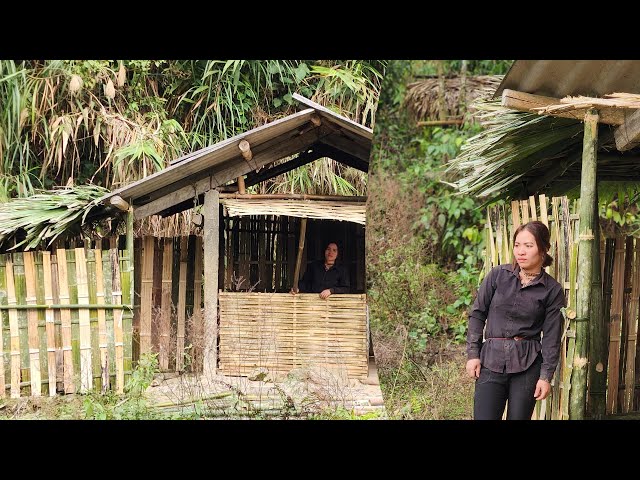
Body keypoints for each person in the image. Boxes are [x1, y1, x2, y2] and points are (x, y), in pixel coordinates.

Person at [465, 220, 565, 420]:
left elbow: (552, 337)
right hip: (491, 360)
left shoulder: (552, 290)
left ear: (543, 249)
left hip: (527, 364)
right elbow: (477, 314)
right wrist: (473, 354)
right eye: (517, 245)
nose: (521, 251)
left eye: (528, 246)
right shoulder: (497, 276)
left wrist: (545, 376)